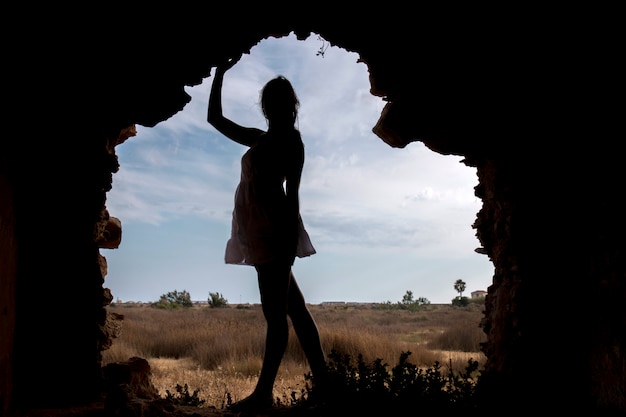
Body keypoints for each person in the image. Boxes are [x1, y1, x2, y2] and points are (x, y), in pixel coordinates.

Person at [207, 55, 327, 412]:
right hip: (259, 233)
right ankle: (325, 386)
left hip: (275, 233)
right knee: (296, 310)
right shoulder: (259, 139)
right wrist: (220, 73)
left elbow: (293, 195)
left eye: (280, 103)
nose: (275, 108)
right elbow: (215, 119)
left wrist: (290, 243)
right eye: (270, 103)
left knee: (277, 316)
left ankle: (263, 395)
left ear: (290, 106)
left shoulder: (292, 142)